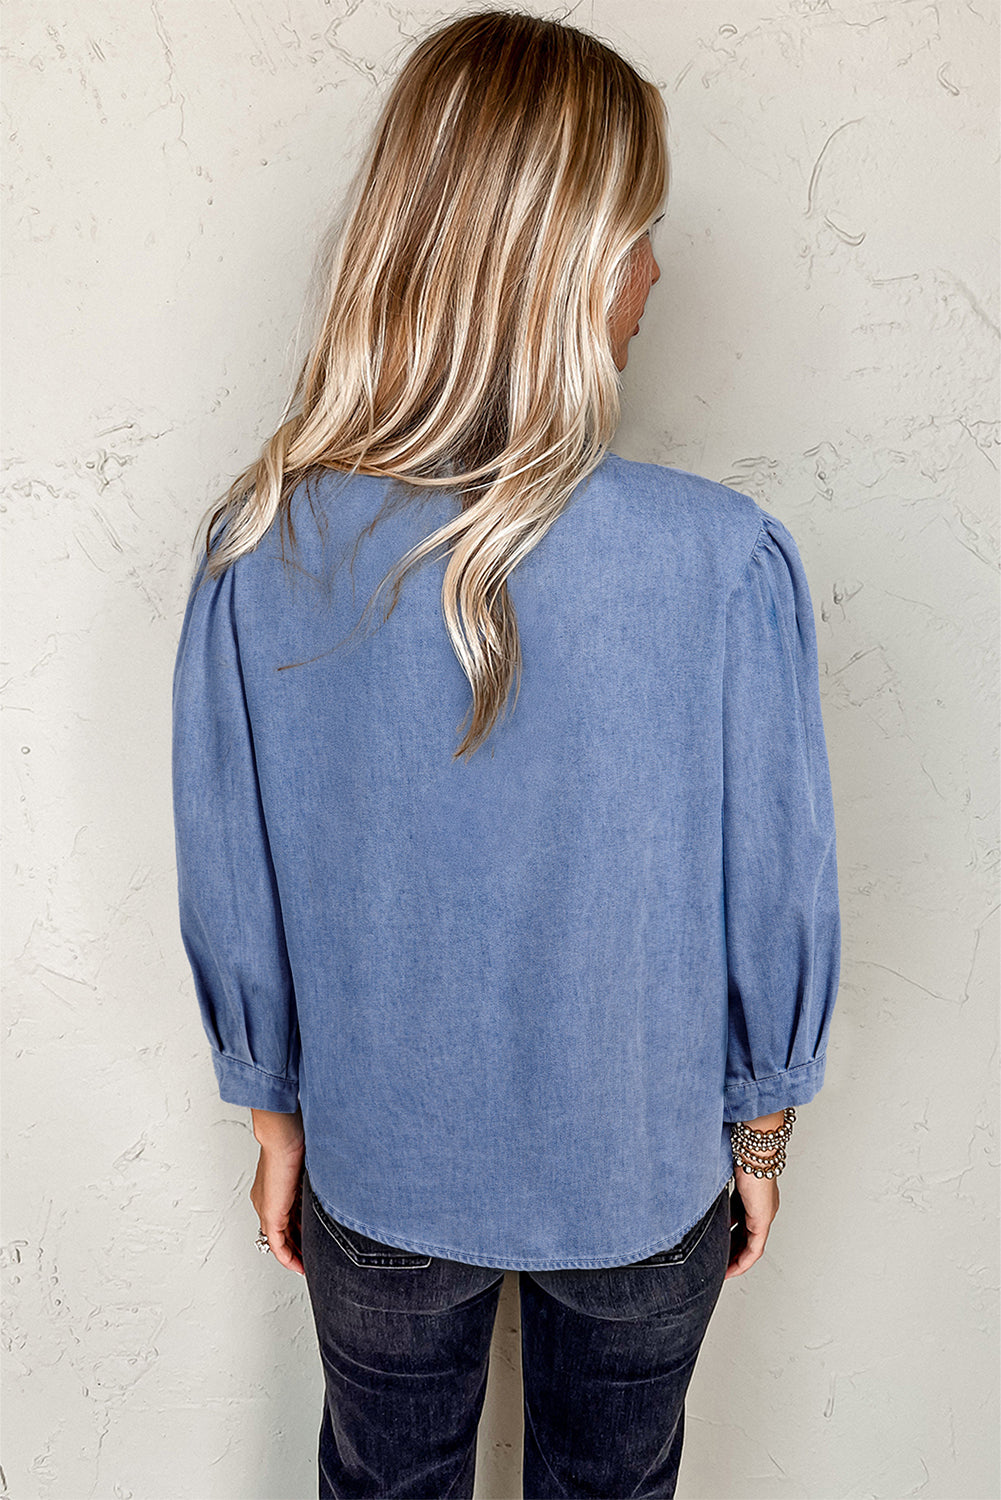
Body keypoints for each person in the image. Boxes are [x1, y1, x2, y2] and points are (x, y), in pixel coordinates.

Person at [171, 9, 842, 1498]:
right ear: (566, 261)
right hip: (641, 1170)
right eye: (636, 235)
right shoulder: (720, 559)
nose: (655, 275)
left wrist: (274, 1111)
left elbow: (236, 875)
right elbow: (773, 885)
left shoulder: (264, 548)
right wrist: (761, 1131)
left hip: (378, 1164)